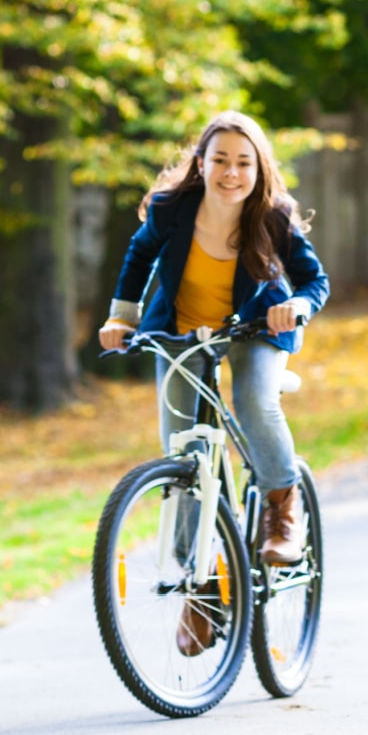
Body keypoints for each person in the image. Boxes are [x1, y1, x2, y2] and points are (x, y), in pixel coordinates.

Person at [98, 110, 329, 656]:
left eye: (243, 162)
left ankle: (281, 509)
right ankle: (202, 588)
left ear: (259, 168)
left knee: (253, 402)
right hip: (180, 332)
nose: (231, 172)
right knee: (183, 455)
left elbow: (314, 281)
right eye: (220, 159)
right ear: (200, 165)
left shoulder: (273, 215)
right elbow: (138, 257)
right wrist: (121, 316)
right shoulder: (171, 209)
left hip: (255, 330)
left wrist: (295, 306)